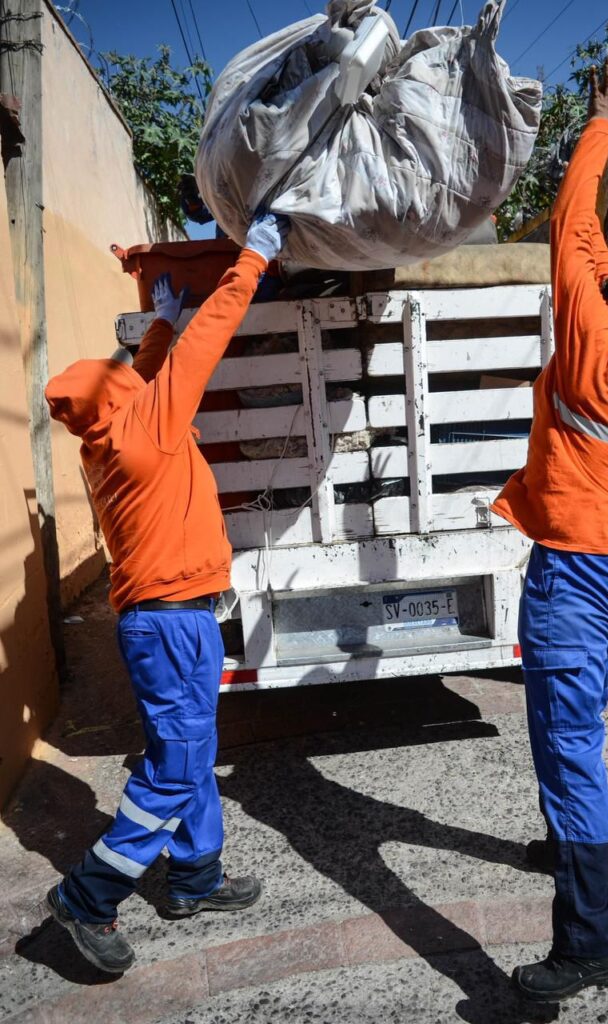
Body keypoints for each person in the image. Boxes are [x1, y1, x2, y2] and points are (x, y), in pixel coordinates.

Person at [44, 212, 289, 974]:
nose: (134, 377)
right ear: (120, 398)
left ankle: (194, 876)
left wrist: (156, 324)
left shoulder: (108, 437)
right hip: (169, 625)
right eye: (123, 377)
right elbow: (204, 343)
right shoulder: (148, 425)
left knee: (192, 748)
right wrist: (253, 257)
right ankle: (87, 897)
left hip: (163, 619)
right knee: (177, 764)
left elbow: (147, 373)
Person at [491, 52, 608, 1003]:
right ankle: (568, 849)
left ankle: (590, 942)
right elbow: (597, 256)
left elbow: (572, 230)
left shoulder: (588, 341)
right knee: (580, 736)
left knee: (569, 756)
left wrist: (601, 120)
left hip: (574, 574)